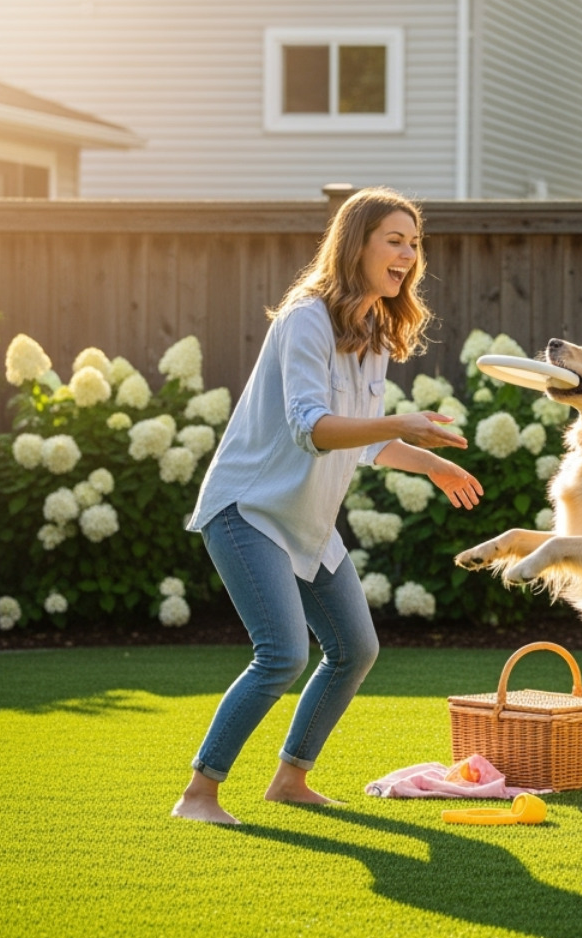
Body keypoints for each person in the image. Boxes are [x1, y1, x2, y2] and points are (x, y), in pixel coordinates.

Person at [172, 187, 484, 826]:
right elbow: (311, 428)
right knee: (282, 654)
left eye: (414, 243)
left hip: (307, 520)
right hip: (249, 508)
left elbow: (364, 442)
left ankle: (290, 779)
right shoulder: (306, 318)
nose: (407, 254)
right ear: (356, 245)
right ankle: (198, 796)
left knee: (354, 649)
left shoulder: (371, 329)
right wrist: (402, 422)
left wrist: (432, 463)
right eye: (393, 240)